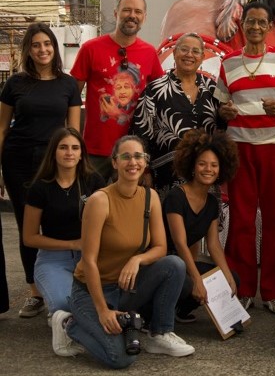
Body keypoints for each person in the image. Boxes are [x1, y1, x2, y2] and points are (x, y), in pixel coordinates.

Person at [51, 135, 194, 366]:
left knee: (174, 265)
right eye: (125, 156)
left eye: (138, 156)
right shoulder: (100, 200)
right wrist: (102, 310)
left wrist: (137, 259)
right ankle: (69, 324)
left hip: (125, 287)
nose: (133, 162)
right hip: (91, 291)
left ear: (145, 162)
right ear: (115, 162)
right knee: (120, 358)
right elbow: (88, 260)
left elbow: (161, 248)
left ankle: (159, 334)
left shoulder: (151, 197)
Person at [215, 0, 275, 314]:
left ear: (268, 27)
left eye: (260, 22)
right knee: (241, 219)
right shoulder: (228, 63)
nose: (254, 27)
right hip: (240, 148)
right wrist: (224, 110)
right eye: (249, 22)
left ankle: (274, 292)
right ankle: (242, 290)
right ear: (243, 26)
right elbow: (221, 107)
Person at [0, 22, 81, 318]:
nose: (42, 49)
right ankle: (35, 291)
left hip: (55, 161)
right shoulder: (15, 84)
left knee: (63, 218)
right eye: (36, 45)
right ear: (29, 50)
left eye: (47, 44)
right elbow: (2, 129)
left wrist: (74, 163)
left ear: (54, 47)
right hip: (18, 160)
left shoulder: (68, 84)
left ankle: (68, 282)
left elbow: (72, 130)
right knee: (28, 225)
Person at [71, 0, 164, 181]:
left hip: (134, 153)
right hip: (95, 151)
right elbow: (71, 96)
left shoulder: (150, 53)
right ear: (116, 13)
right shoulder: (91, 48)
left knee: (128, 208)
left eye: (138, 12)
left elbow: (159, 99)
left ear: (144, 17)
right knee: (90, 205)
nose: (132, 16)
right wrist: (73, 140)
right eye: (126, 10)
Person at [23, 128, 104, 318]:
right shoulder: (39, 188)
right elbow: (29, 237)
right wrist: (72, 244)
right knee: (65, 303)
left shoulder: (93, 181)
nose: (69, 153)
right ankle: (59, 314)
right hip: (54, 259)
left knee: (103, 303)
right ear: (53, 151)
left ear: (82, 153)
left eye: (75, 148)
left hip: (90, 256)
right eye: (63, 147)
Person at [131, 32, 223, 197]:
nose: (189, 55)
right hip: (166, 175)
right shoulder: (155, 89)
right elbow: (141, 133)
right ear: (174, 53)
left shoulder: (212, 88)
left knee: (205, 220)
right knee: (168, 221)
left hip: (205, 174)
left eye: (195, 51)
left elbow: (222, 127)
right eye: (184, 49)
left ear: (202, 57)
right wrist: (144, 170)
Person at [164, 129, 238, 323]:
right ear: (192, 166)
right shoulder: (176, 196)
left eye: (214, 165)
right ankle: (154, 312)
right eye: (202, 164)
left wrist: (227, 276)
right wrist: (197, 279)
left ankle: (180, 310)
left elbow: (213, 245)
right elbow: (180, 244)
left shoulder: (212, 202)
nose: (208, 169)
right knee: (189, 281)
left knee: (232, 279)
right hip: (164, 264)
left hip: (184, 264)